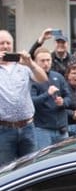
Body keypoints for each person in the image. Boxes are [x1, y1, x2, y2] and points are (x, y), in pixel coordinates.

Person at [0, 30, 48, 164]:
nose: (5, 46)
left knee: (31, 167)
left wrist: (30, 63)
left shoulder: (23, 65)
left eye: (8, 43)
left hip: (27, 127)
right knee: (5, 170)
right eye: (1, 43)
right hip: (3, 129)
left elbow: (43, 79)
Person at [31, 47, 72, 149]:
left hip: (62, 130)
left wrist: (62, 102)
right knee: (44, 161)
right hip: (42, 130)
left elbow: (69, 98)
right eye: (42, 61)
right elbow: (31, 102)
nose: (46, 63)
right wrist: (47, 94)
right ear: (35, 62)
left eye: (48, 60)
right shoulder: (32, 79)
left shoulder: (58, 77)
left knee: (64, 161)